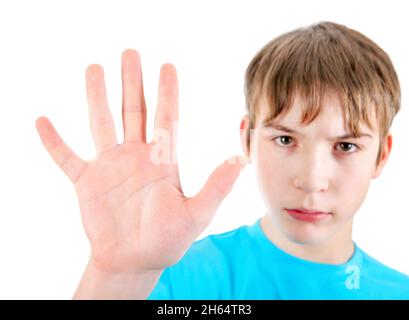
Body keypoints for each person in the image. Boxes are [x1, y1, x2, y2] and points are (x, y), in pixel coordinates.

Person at [35, 21, 409, 299]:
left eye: (345, 147)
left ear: (382, 155)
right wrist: (114, 275)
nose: (312, 181)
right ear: (247, 138)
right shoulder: (180, 279)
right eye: (284, 138)